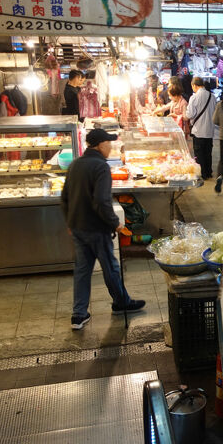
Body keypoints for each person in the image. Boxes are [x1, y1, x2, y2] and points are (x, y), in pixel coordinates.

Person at [61, 129, 146, 330]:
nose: (111, 147)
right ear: (99, 145)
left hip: (79, 228)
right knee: (111, 268)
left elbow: (64, 198)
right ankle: (121, 303)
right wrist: (114, 222)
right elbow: (101, 201)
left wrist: (70, 223)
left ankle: (78, 315)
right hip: (97, 228)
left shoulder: (75, 165)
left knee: (82, 270)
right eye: (108, 144)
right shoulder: (100, 167)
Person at [187, 77, 217, 180]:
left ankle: (202, 174)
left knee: (199, 154)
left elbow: (190, 114)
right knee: (208, 152)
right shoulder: (212, 97)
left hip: (198, 130)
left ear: (194, 85)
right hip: (209, 130)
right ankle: (208, 172)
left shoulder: (194, 98)